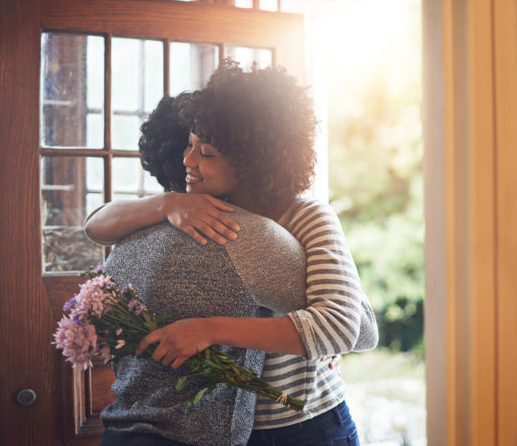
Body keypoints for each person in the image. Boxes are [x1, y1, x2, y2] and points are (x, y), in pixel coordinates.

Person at [85, 60, 378, 445]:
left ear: (252, 162)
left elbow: (350, 326)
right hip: (234, 432)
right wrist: (164, 204)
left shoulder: (307, 217)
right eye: (190, 145)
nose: (188, 161)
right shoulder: (193, 211)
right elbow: (95, 224)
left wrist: (208, 330)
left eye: (205, 153)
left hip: (305, 425)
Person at [99, 203, 307, 446]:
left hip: (120, 428)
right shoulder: (249, 234)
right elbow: (352, 326)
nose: (189, 162)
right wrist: (322, 334)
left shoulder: (129, 231)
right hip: (194, 437)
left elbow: (343, 325)